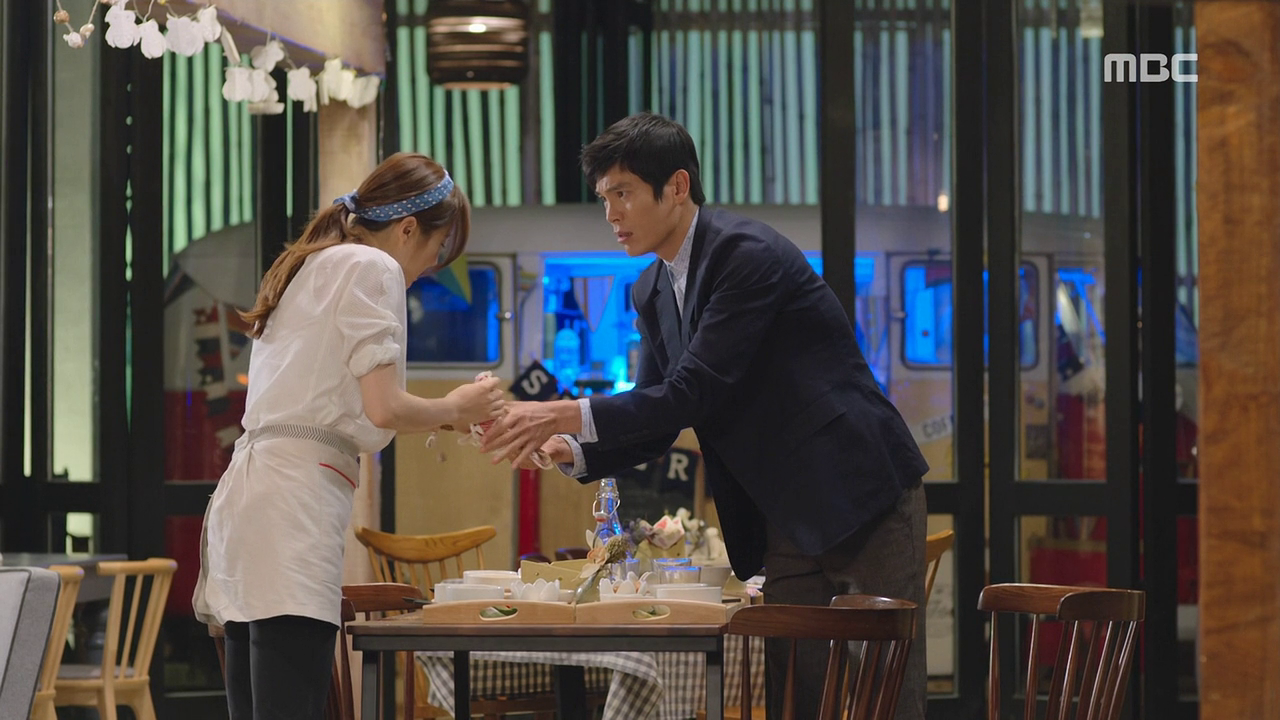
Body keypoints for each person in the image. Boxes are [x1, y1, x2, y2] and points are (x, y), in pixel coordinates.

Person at [481, 113, 930, 719]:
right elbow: (658, 414)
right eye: (604, 198)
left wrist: (560, 411)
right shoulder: (650, 288)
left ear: (677, 186)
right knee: (796, 694)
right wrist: (572, 447)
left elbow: (695, 392)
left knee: (885, 695)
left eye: (623, 193)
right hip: (784, 512)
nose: (611, 214)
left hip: (859, 488)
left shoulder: (746, 255)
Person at [193, 152, 506, 720]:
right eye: (438, 248)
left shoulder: (308, 263)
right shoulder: (371, 265)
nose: (431, 267)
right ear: (407, 229)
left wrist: (449, 415)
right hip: (294, 504)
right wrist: (455, 407)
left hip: (249, 501)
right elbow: (384, 408)